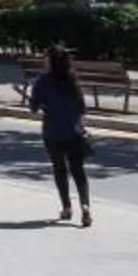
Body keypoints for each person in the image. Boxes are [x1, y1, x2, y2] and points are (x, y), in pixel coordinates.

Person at [27, 44, 94, 226]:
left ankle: (66, 207)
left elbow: (33, 108)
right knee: (78, 171)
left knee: (59, 169)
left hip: (52, 132)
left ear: (50, 61)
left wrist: (35, 101)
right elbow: (82, 108)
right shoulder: (72, 81)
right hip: (73, 131)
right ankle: (85, 207)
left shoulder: (41, 82)